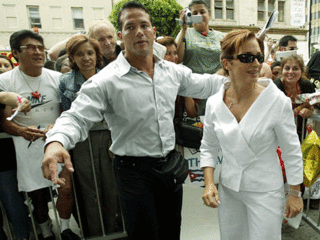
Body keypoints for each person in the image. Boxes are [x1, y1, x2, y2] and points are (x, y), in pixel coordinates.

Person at [41, 1, 227, 239]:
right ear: (121, 36)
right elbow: (76, 117)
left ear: (153, 32)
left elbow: (207, 84)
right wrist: (55, 142)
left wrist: (245, 79)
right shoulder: (106, 80)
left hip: (169, 167)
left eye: (144, 25)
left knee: (171, 232)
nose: (139, 31)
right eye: (130, 27)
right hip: (133, 173)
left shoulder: (172, 72)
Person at [200, 29, 303, 240]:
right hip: (229, 189)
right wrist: (209, 183)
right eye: (247, 58)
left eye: (258, 57)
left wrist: (294, 193)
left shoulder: (276, 101)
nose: (256, 64)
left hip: (266, 191)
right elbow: (208, 147)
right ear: (227, 63)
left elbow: (291, 151)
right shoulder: (214, 104)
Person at [0, 30, 79, 240]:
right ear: (16, 52)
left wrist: (57, 126)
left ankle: (65, 229)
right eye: (30, 48)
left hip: (56, 141)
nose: (38, 52)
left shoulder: (58, 78)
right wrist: (21, 131)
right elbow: (4, 121)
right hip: (25, 146)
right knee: (39, 196)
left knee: (65, 186)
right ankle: (46, 232)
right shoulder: (5, 81)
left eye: (40, 47)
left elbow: (67, 109)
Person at [59, 34, 121, 237]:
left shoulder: (109, 75)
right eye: (79, 54)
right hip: (81, 143)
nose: (86, 58)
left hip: (109, 140)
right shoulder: (65, 81)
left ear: (97, 55)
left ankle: (112, 231)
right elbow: (68, 115)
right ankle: (95, 233)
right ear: (72, 58)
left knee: (111, 189)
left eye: (90, 53)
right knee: (88, 191)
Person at [176, 0, 224, 116]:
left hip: (217, 89)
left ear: (209, 15)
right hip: (194, 92)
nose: (198, 15)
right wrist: (183, 29)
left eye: (202, 12)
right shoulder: (186, 33)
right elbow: (177, 58)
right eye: (194, 13)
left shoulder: (222, 36)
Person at [0, 58, 30, 240]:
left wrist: (21, 100)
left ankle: (23, 236)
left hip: (3, 161)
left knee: (13, 203)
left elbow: (5, 97)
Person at [273, 54, 315, 140]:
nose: (291, 72)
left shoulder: (306, 85)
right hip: (278, 134)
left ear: (302, 72)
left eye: (295, 68)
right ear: (282, 71)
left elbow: (312, 104)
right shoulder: (275, 87)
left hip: (300, 132)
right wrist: (299, 109)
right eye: (287, 68)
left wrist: (309, 110)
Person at [157, 36, 198, 118]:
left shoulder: (182, 75)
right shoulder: (153, 79)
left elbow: (192, 114)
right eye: (168, 54)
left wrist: (185, 87)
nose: (173, 58)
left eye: (175, 53)